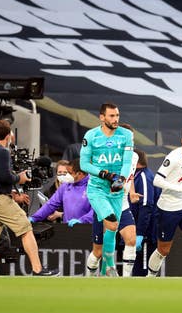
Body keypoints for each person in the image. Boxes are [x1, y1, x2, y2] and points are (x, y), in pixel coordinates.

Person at [0, 119, 58, 276]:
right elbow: (5, 177)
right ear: (7, 136)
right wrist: (19, 178)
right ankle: (37, 269)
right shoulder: (2, 152)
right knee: (26, 229)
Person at [80, 103, 134, 277]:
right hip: (97, 190)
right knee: (110, 222)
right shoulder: (91, 135)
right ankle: (110, 266)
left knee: (113, 228)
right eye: (111, 116)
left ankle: (104, 271)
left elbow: (126, 162)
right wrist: (103, 174)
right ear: (102, 117)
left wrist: (121, 179)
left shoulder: (126, 135)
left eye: (117, 115)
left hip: (116, 190)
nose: (116, 119)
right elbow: (84, 164)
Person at [147, 125, 182, 278]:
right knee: (163, 250)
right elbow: (157, 181)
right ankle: (150, 277)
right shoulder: (173, 157)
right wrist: (181, 188)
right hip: (167, 209)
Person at [29, 159, 92, 225]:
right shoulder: (65, 185)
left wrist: (82, 221)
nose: (67, 175)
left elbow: (96, 212)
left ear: (79, 174)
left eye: (70, 173)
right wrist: (34, 218)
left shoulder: (93, 187)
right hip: (68, 228)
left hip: (88, 229)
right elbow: (50, 204)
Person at [130, 149, 161, 277]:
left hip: (146, 232)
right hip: (137, 228)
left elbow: (146, 205)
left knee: (142, 271)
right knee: (136, 267)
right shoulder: (135, 176)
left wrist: (140, 234)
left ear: (136, 162)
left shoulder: (144, 176)